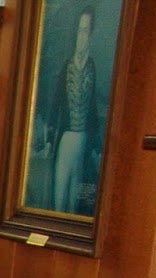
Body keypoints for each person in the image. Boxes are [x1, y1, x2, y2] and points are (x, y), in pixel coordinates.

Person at [42, 8, 99, 216]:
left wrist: (97, 145)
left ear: (90, 35)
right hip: (66, 140)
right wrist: (50, 140)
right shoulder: (67, 66)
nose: (82, 37)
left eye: (86, 31)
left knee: (74, 201)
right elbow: (56, 104)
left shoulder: (91, 66)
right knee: (60, 195)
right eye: (79, 31)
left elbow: (93, 108)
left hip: (82, 142)